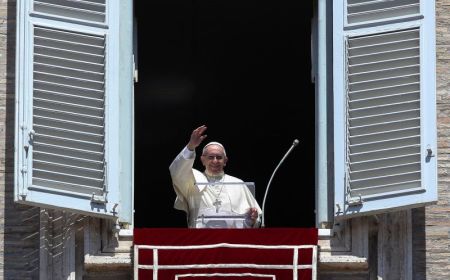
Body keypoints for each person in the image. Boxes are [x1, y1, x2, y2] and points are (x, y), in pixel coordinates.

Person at [169, 125, 262, 228]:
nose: (215, 161)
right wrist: (191, 146)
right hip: (201, 240)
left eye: (219, 157)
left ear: (225, 161)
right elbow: (177, 171)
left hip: (232, 240)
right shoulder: (193, 180)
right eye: (210, 157)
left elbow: (254, 221)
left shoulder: (239, 184)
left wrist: (251, 220)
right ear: (202, 160)